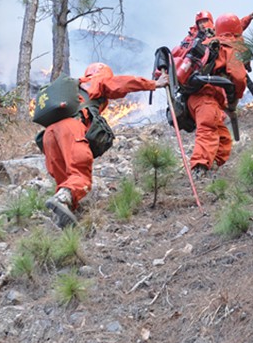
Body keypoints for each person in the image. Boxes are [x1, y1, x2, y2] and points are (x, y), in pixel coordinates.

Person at [43, 63, 168, 228]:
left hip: (49, 134)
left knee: (65, 176)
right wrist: (154, 84)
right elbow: (123, 83)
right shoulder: (98, 81)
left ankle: (64, 213)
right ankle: (62, 199)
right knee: (80, 172)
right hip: (71, 129)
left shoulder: (74, 86)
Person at [186, 13, 249, 178]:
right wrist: (234, 101)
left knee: (223, 138)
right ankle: (199, 169)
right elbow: (239, 78)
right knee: (207, 130)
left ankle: (212, 167)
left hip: (193, 98)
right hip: (206, 98)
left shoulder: (208, 43)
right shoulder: (229, 47)